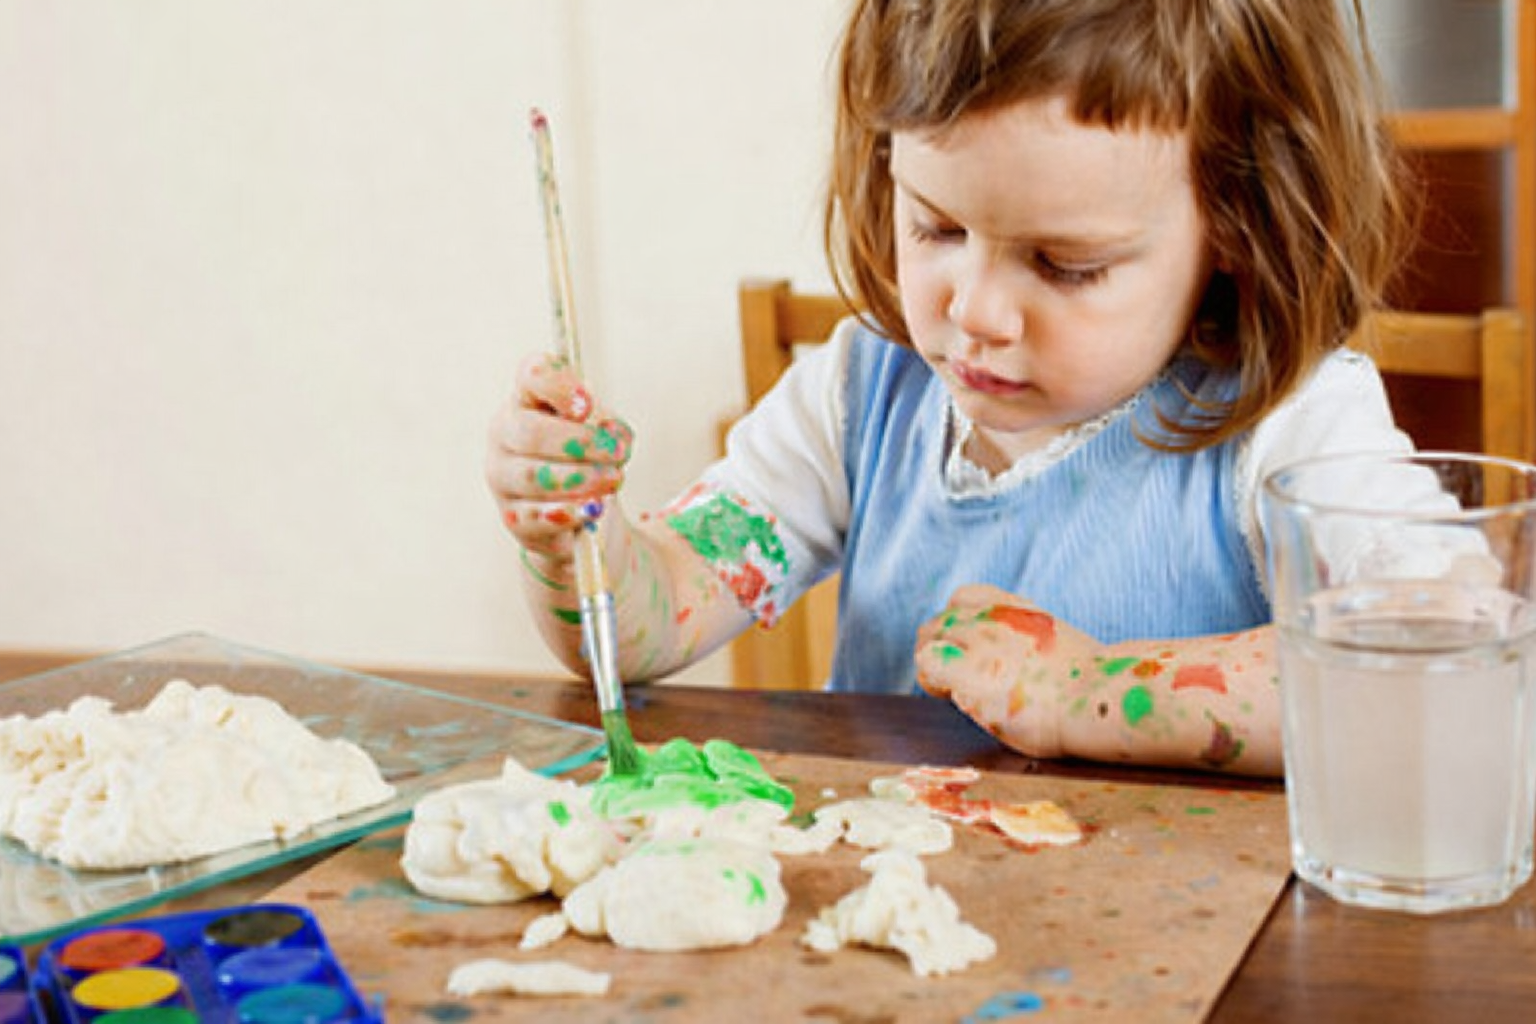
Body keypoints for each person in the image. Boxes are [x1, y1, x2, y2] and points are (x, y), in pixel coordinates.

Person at [485, 0, 1415, 777]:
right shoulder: (859, 396)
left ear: (1239, 226)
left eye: (1065, 264)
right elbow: (643, 628)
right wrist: (576, 540)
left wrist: (1089, 691)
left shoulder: (1293, 426)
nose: (975, 311)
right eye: (934, 227)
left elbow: (1428, 666)